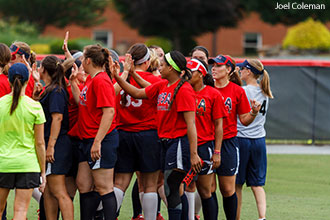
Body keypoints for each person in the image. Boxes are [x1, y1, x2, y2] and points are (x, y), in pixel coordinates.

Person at [112, 50, 202, 220]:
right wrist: (121, 75)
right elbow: (137, 93)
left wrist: (194, 153)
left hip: (178, 143)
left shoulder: (184, 89)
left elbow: (191, 124)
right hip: (164, 143)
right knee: (169, 187)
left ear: (173, 69)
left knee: (171, 186)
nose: (160, 67)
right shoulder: (163, 85)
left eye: (164, 65)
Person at [209, 55, 261, 220]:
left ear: (229, 70)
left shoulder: (237, 90)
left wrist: (253, 112)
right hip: (207, 142)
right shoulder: (206, 88)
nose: (214, 69)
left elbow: (244, 120)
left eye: (218, 66)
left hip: (228, 143)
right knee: (208, 189)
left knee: (227, 189)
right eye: (213, 66)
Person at [113, 43, 162, 220]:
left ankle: (108, 216)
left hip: (124, 134)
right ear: (147, 62)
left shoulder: (120, 78)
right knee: (150, 185)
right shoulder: (155, 80)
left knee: (119, 183)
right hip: (148, 135)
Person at [70, 44, 118, 220]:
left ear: (88, 60)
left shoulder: (101, 80)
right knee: (83, 184)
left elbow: (109, 112)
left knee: (104, 187)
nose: (81, 62)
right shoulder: (91, 79)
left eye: (83, 58)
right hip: (86, 139)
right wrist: (73, 82)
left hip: (99, 140)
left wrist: (98, 141)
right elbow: (81, 103)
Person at [0, 63, 46, 219]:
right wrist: (43, 172)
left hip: (3, 163)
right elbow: (40, 143)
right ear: (27, 81)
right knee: (20, 211)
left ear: (8, 81)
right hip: (27, 164)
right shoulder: (35, 107)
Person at [187, 58, 228, 220]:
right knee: (187, 186)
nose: (188, 75)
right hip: (185, 145)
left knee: (205, 190)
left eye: (192, 72)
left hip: (205, 146)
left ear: (201, 74)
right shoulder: (183, 91)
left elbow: (219, 125)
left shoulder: (213, 94)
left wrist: (217, 151)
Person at [35, 55, 74, 220]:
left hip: (57, 145)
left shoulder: (56, 91)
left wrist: (51, 146)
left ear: (44, 70)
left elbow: (57, 118)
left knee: (59, 191)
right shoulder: (50, 89)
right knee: (49, 191)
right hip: (52, 143)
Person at [235, 59, 273, 220]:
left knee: (237, 184)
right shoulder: (265, 92)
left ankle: (235, 217)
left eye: (242, 69)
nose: (240, 71)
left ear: (248, 71)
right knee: (257, 184)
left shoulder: (242, 91)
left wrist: (234, 75)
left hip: (242, 140)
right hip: (259, 141)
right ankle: (262, 217)